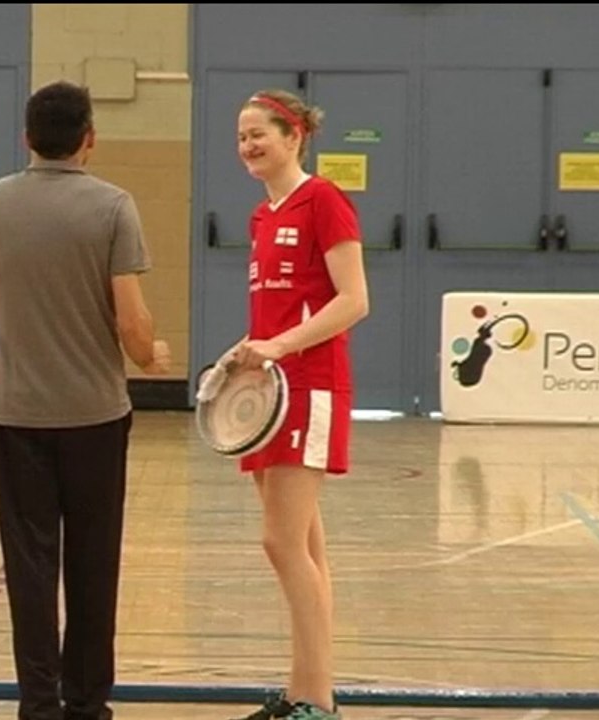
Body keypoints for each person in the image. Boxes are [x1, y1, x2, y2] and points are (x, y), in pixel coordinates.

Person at [0, 80, 171, 720]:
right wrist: (151, 357)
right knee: (92, 560)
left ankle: (38, 704)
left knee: (29, 567)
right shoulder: (114, 206)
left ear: (26, 138)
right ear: (89, 139)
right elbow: (130, 318)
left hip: (16, 413)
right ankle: (86, 703)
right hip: (94, 417)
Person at [225, 90, 369, 720]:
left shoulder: (325, 201)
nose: (249, 145)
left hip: (310, 388)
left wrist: (280, 345)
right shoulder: (263, 216)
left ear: (294, 138)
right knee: (305, 548)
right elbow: (281, 311)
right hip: (268, 395)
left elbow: (354, 299)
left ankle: (316, 699)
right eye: (241, 136)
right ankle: (305, 692)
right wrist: (246, 350)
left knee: (282, 544)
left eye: (260, 133)